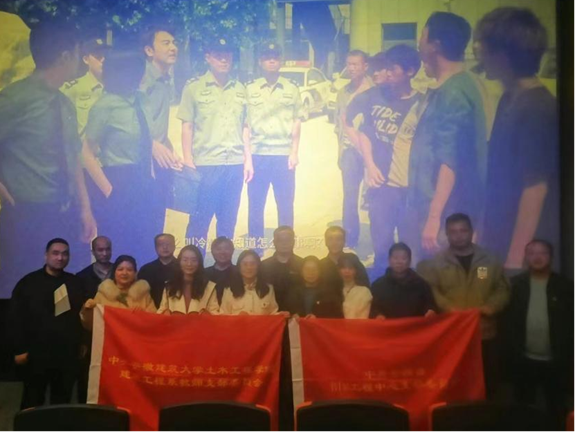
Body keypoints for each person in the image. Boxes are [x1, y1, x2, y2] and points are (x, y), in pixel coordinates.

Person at [0, 21, 97, 296]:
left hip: (63, 212)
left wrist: (85, 208)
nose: (79, 59)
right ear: (65, 56)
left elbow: (73, 158)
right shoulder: (14, 99)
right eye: (77, 53)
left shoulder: (64, 103)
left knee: (61, 293)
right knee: (20, 292)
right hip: (25, 216)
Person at [474, 8, 559, 271]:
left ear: (503, 55)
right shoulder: (509, 99)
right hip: (497, 239)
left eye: (482, 45)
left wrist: (514, 261)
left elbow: (535, 188)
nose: (477, 51)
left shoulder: (538, 108)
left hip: (521, 252)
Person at [412, 12, 487, 258]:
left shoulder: (454, 92)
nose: (419, 42)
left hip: (444, 213)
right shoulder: (451, 86)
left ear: (435, 45)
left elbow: (450, 159)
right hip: (440, 209)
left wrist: (434, 218)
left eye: (423, 35)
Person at [348, 45, 424, 271]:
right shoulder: (374, 96)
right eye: (385, 68)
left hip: (410, 188)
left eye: (393, 68)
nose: (387, 73)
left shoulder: (423, 104)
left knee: (411, 249)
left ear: (410, 71)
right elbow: (356, 125)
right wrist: (369, 164)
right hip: (380, 187)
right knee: (381, 247)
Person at [417, 213, 510, 397]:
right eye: (453, 232)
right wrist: (448, 308)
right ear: (446, 234)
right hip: (452, 333)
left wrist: (491, 307)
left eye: (463, 231)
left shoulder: (489, 259)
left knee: (487, 383)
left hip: (484, 332)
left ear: (471, 232)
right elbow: (430, 290)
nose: (458, 236)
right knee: (454, 384)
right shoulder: (436, 263)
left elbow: (502, 288)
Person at [177, 37, 251, 250]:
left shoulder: (240, 89)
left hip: (234, 165)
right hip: (205, 165)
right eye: (218, 55)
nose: (224, 59)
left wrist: (247, 160)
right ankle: (193, 265)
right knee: (199, 222)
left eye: (227, 54)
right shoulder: (194, 88)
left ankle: (223, 265)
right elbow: (187, 126)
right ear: (208, 57)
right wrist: (188, 160)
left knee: (228, 222)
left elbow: (245, 127)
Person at [82, 50, 155, 264]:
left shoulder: (142, 100)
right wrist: (108, 189)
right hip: (118, 180)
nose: (139, 75)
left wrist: (151, 176)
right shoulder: (104, 106)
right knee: (121, 251)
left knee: (145, 248)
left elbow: (147, 141)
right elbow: (86, 152)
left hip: (144, 180)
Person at [503, 240, 574, 430]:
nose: (537, 257)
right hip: (523, 358)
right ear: (526, 257)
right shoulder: (515, 285)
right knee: (523, 408)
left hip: (556, 359)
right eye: (532, 253)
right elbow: (507, 322)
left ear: (551, 257)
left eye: (542, 252)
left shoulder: (565, 286)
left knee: (556, 407)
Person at [8, 238, 85, 409]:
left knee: (62, 401)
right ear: (46, 255)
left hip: (66, 354)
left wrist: (81, 343)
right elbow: (16, 318)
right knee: (32, 400)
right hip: (36, 354)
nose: (60, 258)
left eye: (65, 254)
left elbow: (81, 317)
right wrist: (19, 349)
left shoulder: (75, 283)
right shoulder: (28, 283)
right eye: (55, 253)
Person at [246, 43, 304, 254]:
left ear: (281, 61)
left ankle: (285, 250)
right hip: (258, 155)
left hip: (282, 155)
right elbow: (245, 125)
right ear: (260, 61)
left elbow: (297, 120)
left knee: (286, 205)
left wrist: (294, 152)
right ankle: (255, 249)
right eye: (267, 57)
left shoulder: (291, 88)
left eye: (275, 57)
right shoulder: (249, 89)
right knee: (255, 205)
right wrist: (247, 158)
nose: (272, 60)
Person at [141, 26, 182, 230]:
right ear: (149, 50)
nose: (173, 47)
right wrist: (151, 144)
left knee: (158, 220)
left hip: (160, 160)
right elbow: (132, 119)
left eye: (174, 43)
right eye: (166, 43)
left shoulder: (166, 79)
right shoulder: (142, 79)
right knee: (144, 221)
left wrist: (169, 149)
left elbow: (157, 121)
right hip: (141, 161)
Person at [334, 50, 373, 249]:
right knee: (349, 196)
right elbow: (338, 126)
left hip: (372, 153)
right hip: (350, 152)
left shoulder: (375, 90)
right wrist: (340, 152)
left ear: (365, 66)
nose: (351, 68)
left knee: (374, 198)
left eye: (356, 64)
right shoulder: (343, 93)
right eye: (349, 64)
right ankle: (350, 239)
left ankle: (379, 239)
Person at [81, 255, 156, 329]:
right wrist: (88, 310)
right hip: (111, 336)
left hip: (136, 336)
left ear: (135, 273)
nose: (124, 273)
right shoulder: (103, 294)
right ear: (114, 272)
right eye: (120, 269)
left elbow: (155, 321)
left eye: (129, 270)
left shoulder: (143, 294)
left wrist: (144, 314)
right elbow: (90, 325)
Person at [370, 243, 436, 319]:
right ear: (389, 260)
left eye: (403, 258)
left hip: (415, 326)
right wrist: (377, 315)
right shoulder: (378, 286)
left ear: (410, 261)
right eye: (395, 258)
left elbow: (430, 305)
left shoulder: (421, 284)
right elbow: (372, 309)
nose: (399, 262)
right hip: (388, 326)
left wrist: (430, 311)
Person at [61, 37, 111, 137]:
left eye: (106, 55)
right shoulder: (73, 89)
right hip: (83, 145)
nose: (103, 59)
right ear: (86, 59)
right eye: (98, 56)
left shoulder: (116, 88)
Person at [157, 245, 219, 315]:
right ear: (179, 262)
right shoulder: (170, 286)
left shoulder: (209, 287)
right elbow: (161, 311)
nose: (189, 264)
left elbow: (215, 313)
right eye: (185, 260)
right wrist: (165, 312)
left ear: (199, 263)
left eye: (194, 260)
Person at [220, 250, 279, 315]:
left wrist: (281, 315)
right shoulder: (229, 290)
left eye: (252, 264)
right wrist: (238, 318)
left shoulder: (268, 288)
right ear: (239, 267)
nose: (249, 267)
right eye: (245, 264)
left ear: (258, 266)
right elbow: (223, 316)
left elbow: (273, 314)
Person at [261, 226, 303, 311]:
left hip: (298, 313)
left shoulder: (302, 264)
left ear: (293, 242)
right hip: (270, 314)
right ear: (274, 242)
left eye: (288, 240)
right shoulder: (263, 266)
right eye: (280, 240)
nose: (284, 243)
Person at [320, 226, 368, 290]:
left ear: (344, 242)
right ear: (326, 242)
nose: (334, 243)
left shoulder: (353, 260)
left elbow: (364, 286)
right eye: (330, 239)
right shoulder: (320, 265)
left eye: (338, 239)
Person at [138, 233, 179, 308]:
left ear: (174, 246)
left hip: (178, 311)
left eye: (168, 244)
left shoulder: (183, 268)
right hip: (151, 311)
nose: (165, 247)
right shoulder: (146, 270)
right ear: (155, 248)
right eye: (161, 244)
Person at [336, 253, 372, 319]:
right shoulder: (333, 290)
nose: (347, 271)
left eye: (350, 268)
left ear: (356, 270)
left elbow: (363, 319)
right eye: (343, 267)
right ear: (338, 270)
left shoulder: (364, 292)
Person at [204, 236, 236, 304]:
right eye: (218, 249)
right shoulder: (203, 274)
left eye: (226, 248)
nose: (222, 252)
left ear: (233, 251)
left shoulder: (240, 272)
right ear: (212, 251)